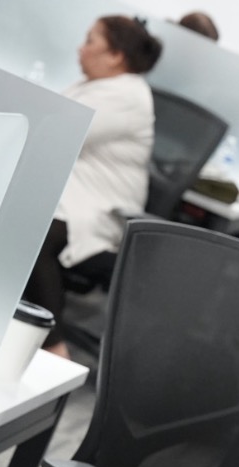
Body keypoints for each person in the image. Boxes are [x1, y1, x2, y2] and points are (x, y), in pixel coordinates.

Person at [21, 16, 162, 358]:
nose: (80, 48)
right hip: (68, 193)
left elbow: (58, 131)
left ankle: (54, 347)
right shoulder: (93, 85)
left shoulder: (129, 94)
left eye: (90, 41)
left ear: (115, 55)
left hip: (97, 208)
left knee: (30, 231)